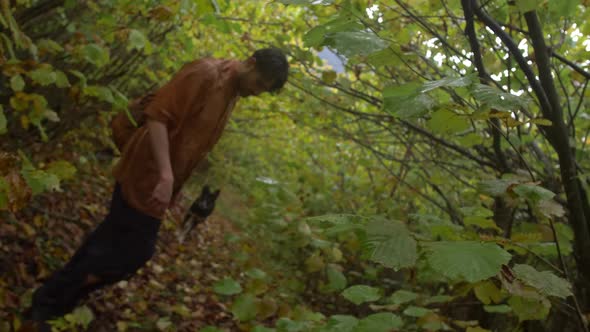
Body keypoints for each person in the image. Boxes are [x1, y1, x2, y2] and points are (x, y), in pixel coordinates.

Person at [26, 48, 289, 331]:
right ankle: (48, 305)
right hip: (145, 172)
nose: (258, 92)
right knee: (132, 252)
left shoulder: (232, 93)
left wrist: (173, 189)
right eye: (260, 83)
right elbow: (158, 116)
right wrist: (165, 175)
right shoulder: (205, 73)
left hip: (159, 183)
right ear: (250, 63)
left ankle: (53, 303)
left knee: (110, 242)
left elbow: (190, 144)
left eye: (265, 90)